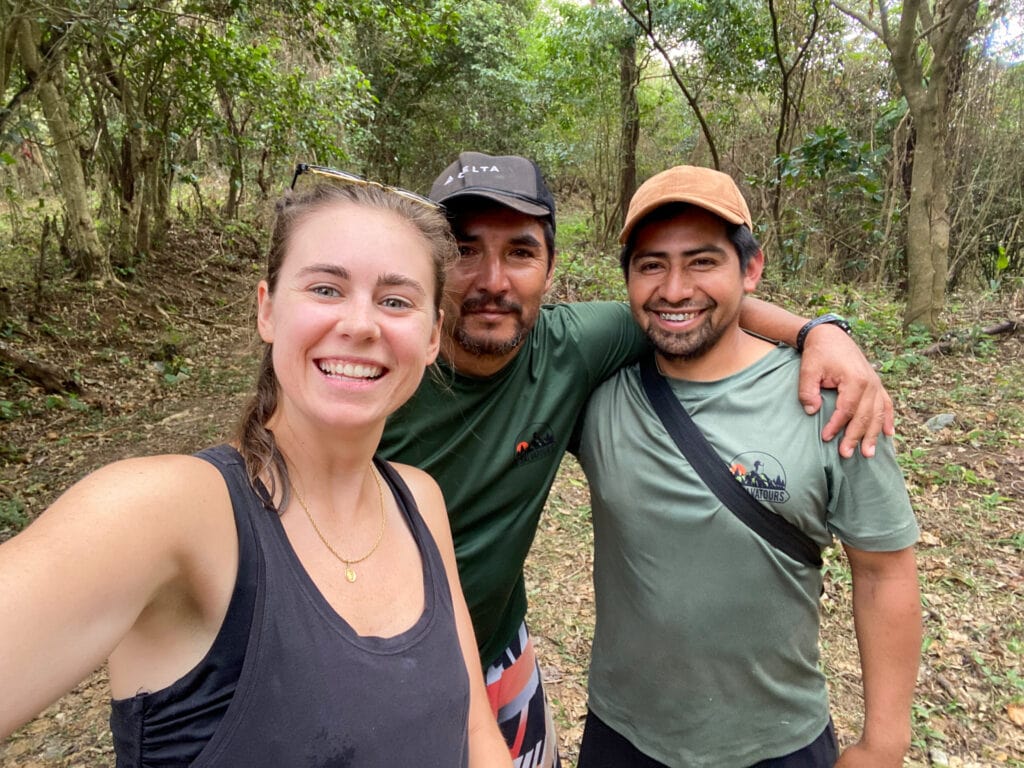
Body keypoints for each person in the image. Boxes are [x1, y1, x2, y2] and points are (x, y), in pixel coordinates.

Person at [378, 152, 899, 766]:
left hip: (500, 657)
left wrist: (819, 333)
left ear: (550, 268)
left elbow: (690, 311)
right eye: (465, 251)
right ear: (428, 264)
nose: (494, 279)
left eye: (520, 252)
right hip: (368, 666)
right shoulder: (372, 360)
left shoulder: (576, 348)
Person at [0, 179, 511, 767]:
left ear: (429, 337)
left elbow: (476, 730)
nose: (361, 324)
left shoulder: (419, 501)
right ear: (267, 309)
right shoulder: (167, 514)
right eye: (326, 288)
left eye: (395, 300)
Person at [573, 165, 922, 767]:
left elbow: (883, 572)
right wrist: (816, 327)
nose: (675, 289)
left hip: (778, 742)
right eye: (651, 265)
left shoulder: (830, 400)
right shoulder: (599, 391)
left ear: (751, 269)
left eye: (704, 261)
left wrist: (884, 743)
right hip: (623, 736)